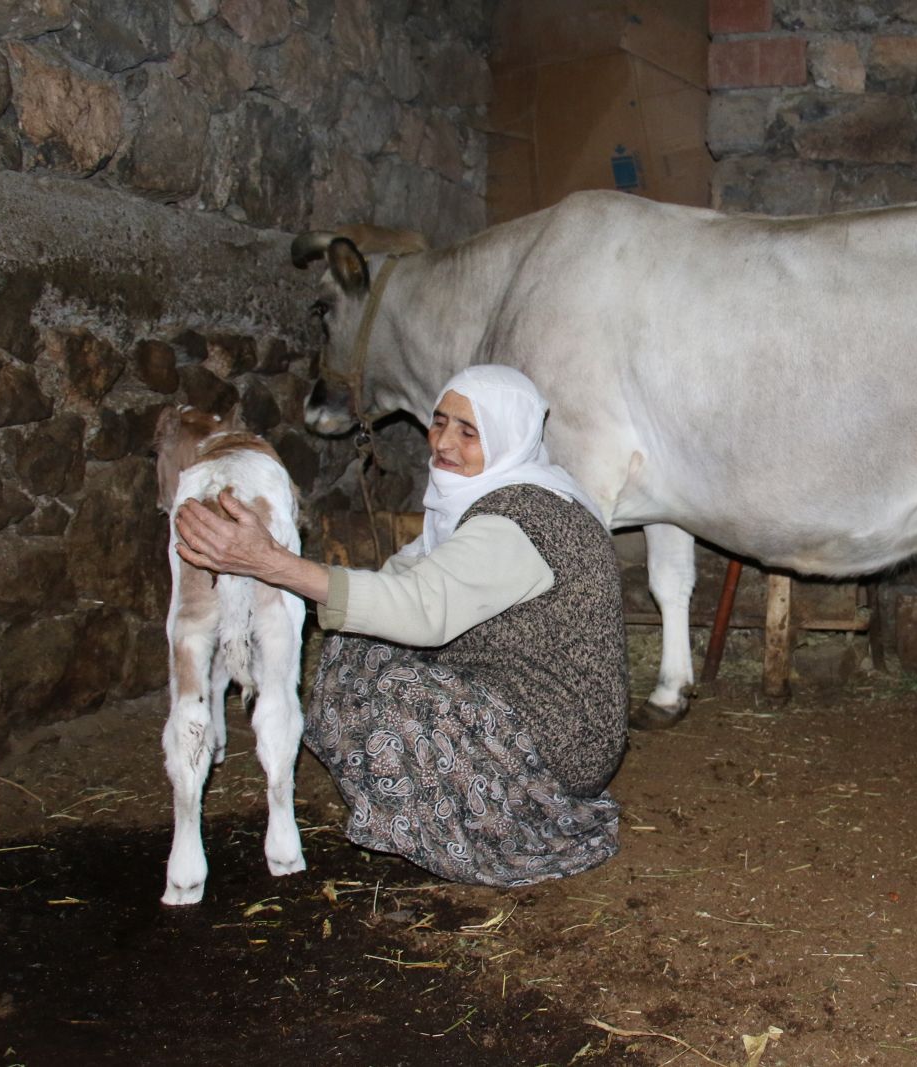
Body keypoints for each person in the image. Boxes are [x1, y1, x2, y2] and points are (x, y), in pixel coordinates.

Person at [173, 365, 628, 887]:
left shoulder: (521, 520)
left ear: (510, 437)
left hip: (561, 738)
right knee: (355, 647)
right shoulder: (481, 500)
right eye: (439, 423)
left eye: (468, 431)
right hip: (503, 688)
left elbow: (421, 611)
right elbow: (402, 580)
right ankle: (417, 804)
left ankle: (488, 825)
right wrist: (309, 582)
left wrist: (274, 565)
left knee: (394, 690)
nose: (444, 443)